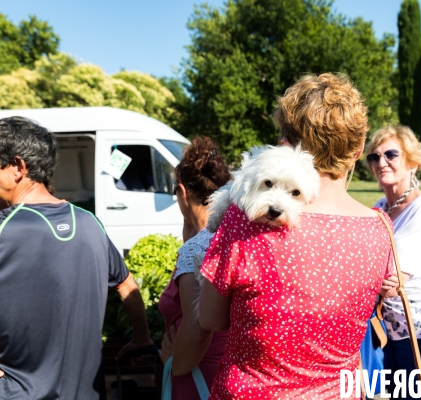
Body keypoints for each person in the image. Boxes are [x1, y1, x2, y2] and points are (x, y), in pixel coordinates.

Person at [196, 73, 395, 399]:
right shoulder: (380, 228)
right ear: (359, 149)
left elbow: (211, 318)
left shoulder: (247, 219)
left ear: (284, 142)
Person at [0, 116, 153, 399]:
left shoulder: (4, 228)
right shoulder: (89, 222)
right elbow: (127, 286)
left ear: (19, 167)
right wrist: (142, 337)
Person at [364, 125, 421, 399]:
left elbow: (392, 283)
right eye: (374, 157)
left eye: (391, 154)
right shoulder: (381, 207)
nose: (381, 162)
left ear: (412, 163)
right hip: (390, 334)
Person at [157, 136, 231, 398]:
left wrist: (174, 364)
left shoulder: (196, 249)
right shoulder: (232, 236)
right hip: (229, 372)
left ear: (182, 191)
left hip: (197, 375)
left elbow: (199, 326)